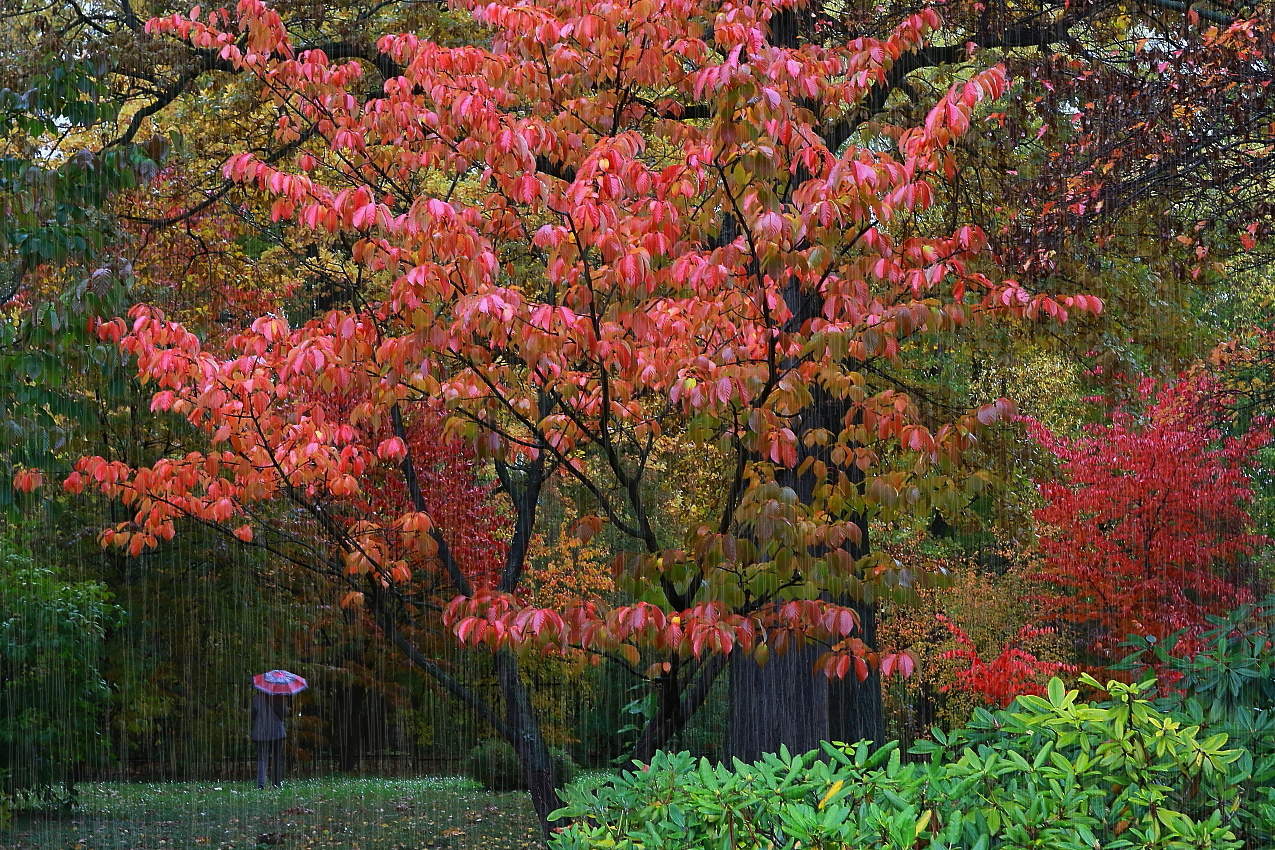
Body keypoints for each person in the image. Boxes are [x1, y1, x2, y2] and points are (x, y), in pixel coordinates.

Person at [251, 690, 287, 788]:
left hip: (261, 732)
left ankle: (261, 783)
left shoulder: (257, 699)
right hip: (277, 732)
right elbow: (284, 714)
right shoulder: (279, 698)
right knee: (277, 758)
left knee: (262, 758)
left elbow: (253, 715)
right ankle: (276, 783)